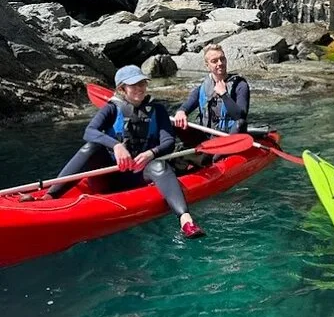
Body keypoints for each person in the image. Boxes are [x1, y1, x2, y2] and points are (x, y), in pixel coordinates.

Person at [20, 65, 205, 239]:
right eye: (134, 85)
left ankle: (186, 221)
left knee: (160, 166)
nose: (140, 88)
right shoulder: (111, 109)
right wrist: (116, 145)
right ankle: (50, 195)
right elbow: (89, 132)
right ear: (122, 89)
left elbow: (168, 142)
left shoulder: (158, 110)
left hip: (140, 174)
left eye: (142, 83)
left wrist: (151, 153)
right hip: (111, 174)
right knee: (91, 147)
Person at [173, 44, 250, 146]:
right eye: (214, 61)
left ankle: (221, 153)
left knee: (240, 123)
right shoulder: (204, 86)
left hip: (228, 136)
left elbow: (240, 116)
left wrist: (224, 94)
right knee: (175, 121)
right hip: (205, 136)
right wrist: (181, 112)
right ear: (207, 65)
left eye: (222, 59)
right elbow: (187, 105)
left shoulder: (240, 85)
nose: (220, 63)